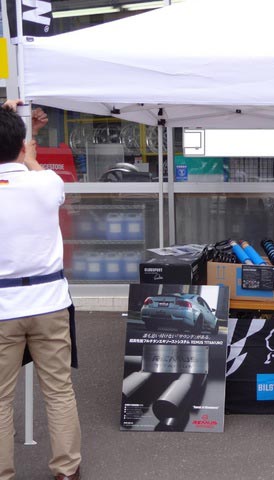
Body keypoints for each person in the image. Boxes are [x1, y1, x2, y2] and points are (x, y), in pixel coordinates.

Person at [0, 100, 81, 480]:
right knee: (59, 391)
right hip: (49, 304)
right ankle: (66, 469)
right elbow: (39, 176)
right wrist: (30, 156)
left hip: (3, 307)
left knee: (1, 399)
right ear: (23, 146)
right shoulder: (46, 183)